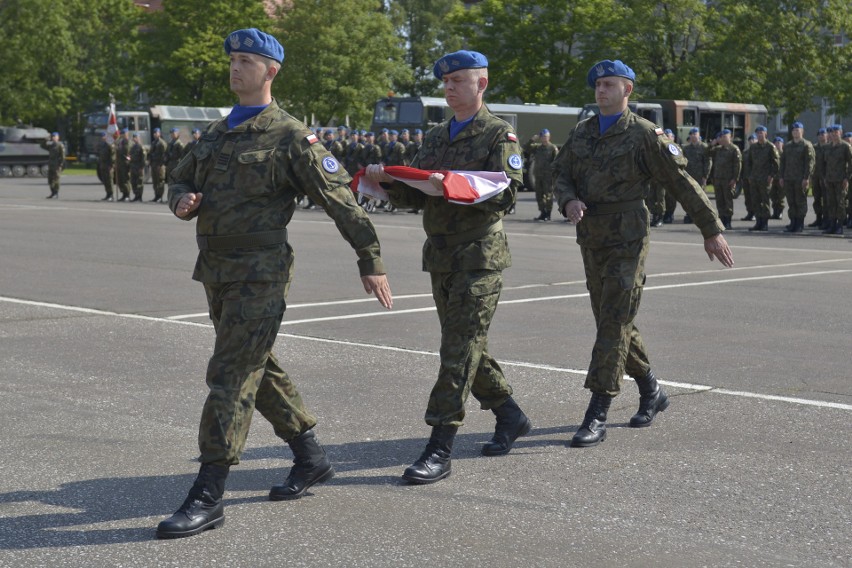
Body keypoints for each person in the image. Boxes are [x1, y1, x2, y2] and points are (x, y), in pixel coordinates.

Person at [156, 28, 392, 539]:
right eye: (233, 60)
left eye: (246, 60)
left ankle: (208, 491)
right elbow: (179, 178)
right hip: (216, 270)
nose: (235, 67)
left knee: (230, 374)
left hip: (260, 273)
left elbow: (340, 199)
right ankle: (310, 457)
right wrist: (181, 201)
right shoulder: (217, 133)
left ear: (271, 71)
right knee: (256, 367)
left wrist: (369, 258)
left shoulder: (290, 136)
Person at [365, 50, 531, 484]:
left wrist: (453, 185)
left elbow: (506, 194)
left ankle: (439, 446)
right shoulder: (437, 136)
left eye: (458, 80)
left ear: (482, 83)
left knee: (457, 349)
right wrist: (388, 183)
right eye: (446, 81)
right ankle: (510, 415)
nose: (449, 88)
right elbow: (418, 194)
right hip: (441, 255)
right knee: (466, 346)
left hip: (480, 256)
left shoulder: (500, 135)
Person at [553, 59, 734, 448]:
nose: (601, 91)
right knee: (612, 319)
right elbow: (561, 173)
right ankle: (652, 389)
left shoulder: (644, 134)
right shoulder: (582, 133)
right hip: (591, 237)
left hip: (628, 236)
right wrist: (567, 200)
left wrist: (710, 228)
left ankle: (598, 409)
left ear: (627, 90)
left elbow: (680, 181)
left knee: (613, 321)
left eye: (610, 84)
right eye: (598, 85)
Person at [778, 122, 815, 233]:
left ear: (802, 132)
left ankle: (799, 223)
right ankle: (793, 222)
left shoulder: (806, 145)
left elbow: (810, 163)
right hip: (789, 178)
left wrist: (806, 177)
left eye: (797, 130)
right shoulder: (788, 145)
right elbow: (783, 162)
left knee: (800, 201)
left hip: (800, 178)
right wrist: (781, 177)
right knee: (791, 201)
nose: (795, 132)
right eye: (794, 131)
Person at [821, 125, 852, 235]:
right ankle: (832, 224)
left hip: (840, 180)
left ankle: (840, 226)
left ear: (841, 133)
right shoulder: (827, 147)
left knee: (840, 203)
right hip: (829, 179)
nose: (834, 134)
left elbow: (851, 164)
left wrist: (847, 178)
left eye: (836, 132)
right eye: (832, 133)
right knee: (831, 203)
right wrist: (824, 177)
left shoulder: (845, 146)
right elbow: (824, 164)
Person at [708, 129, 742, 229]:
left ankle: (728, 221)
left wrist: (735, 179)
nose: (722, 139)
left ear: (730, 137)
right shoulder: (718, 149)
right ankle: (722, 220)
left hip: (728, 179)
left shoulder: (734, 149)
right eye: (721, 137)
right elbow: (706, 153)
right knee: (719, 200)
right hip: (718, 179)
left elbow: (738, 165)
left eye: (725, 137)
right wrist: (712, 144)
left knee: (728, 200)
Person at [527, 129, 559, 221]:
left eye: (546, 136)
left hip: (548, 177)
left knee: (548, 195)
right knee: (539, 195)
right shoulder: (538, 148)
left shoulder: (552, 148)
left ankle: (548, 214)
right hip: (538, 175)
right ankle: (542, 212)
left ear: (549, 137)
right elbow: (526, 147)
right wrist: (532, 140)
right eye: (543, 136)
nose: (544, 138)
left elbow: (557, 162)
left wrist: (555, 175)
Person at [683, 127, 713, 224]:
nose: (693, 136)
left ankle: (702, 216)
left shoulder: (704, 147)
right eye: (691, 134)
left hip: (700, 177)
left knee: (700, 198)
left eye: (695, 134)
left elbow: (708, 163)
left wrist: (705, 176)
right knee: (689, 197)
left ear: (698, 135)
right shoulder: (686, 148)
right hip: (689, 176)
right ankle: (690, 215)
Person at [809, 128, 828, 228]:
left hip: (825, 177)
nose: (821, 136)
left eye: (823, 134)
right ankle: (818, 218)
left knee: (826, 199)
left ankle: (826, 219)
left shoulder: (829, 147)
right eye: (819, 134)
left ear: (827, 135)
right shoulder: (814, 147)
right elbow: (811, 162)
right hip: (815, 176)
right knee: (816, 198)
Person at [40, 131, 65, 199]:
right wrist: (46, 139)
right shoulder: (51, 145)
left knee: (56, 180)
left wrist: (61, 165)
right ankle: (52, 192)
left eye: (55, 136)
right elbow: (42, 146)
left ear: (58, 137)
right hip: (51, 165)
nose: (53, 138)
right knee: (50, 180)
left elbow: (62, 156)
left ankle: (56, 193)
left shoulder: (60, 145)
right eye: (52, 136)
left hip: (57, 165)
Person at [149, 128, 168, 202]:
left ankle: (160, 196)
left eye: (156, 133)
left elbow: (164, 155)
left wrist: (160, 164)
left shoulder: (162, 143)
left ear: (159, 133)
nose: (155, 134)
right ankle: (156, 195)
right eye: (154, 133)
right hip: (154, 164)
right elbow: (150, 154)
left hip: (160, 165)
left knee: (160, 181)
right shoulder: (154, 143)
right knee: (155, 181)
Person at [96, 132, 116, 201]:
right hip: (103, 165)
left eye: (103, 136)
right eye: (101, 137)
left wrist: (112, 165)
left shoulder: (109, 145)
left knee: (109, 180)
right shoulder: (102, 145)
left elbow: (113, 156)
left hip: (108, 165)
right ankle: (108, 194)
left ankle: (111, 195)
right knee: (105, 180)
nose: (102, 138)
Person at [770, 136, 786, 219]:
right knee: (773, 195)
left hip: (781, 178)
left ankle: (780, 212)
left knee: (781, 196)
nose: (777, 144)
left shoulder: (784, 154)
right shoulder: (771, 154)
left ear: (782, 144)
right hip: (773, 178)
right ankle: (775, 211)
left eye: (779, 143)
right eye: (776, 143)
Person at [129, 132, 147, 202]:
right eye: (134, 137)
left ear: (139, 138)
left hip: (138, 167)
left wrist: (141, 167)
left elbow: (143, 158)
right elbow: (130, 156)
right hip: (133, 166)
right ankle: (136, 195)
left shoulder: (141, 147)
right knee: (133, 181)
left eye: (136, 137)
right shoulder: (133, 147)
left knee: (139, 182)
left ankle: (139, 196)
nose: (134, 139)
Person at [115, 128, 132, 202]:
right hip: (119, 163)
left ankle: (127, 194)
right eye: (121, 133)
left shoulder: (129, 142)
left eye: (124, 133)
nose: (122, 135)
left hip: (125, 163)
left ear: (127, 134)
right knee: (120, 179)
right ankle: (123, 194)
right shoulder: (119, 142)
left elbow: (127, 152)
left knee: (125, 179)